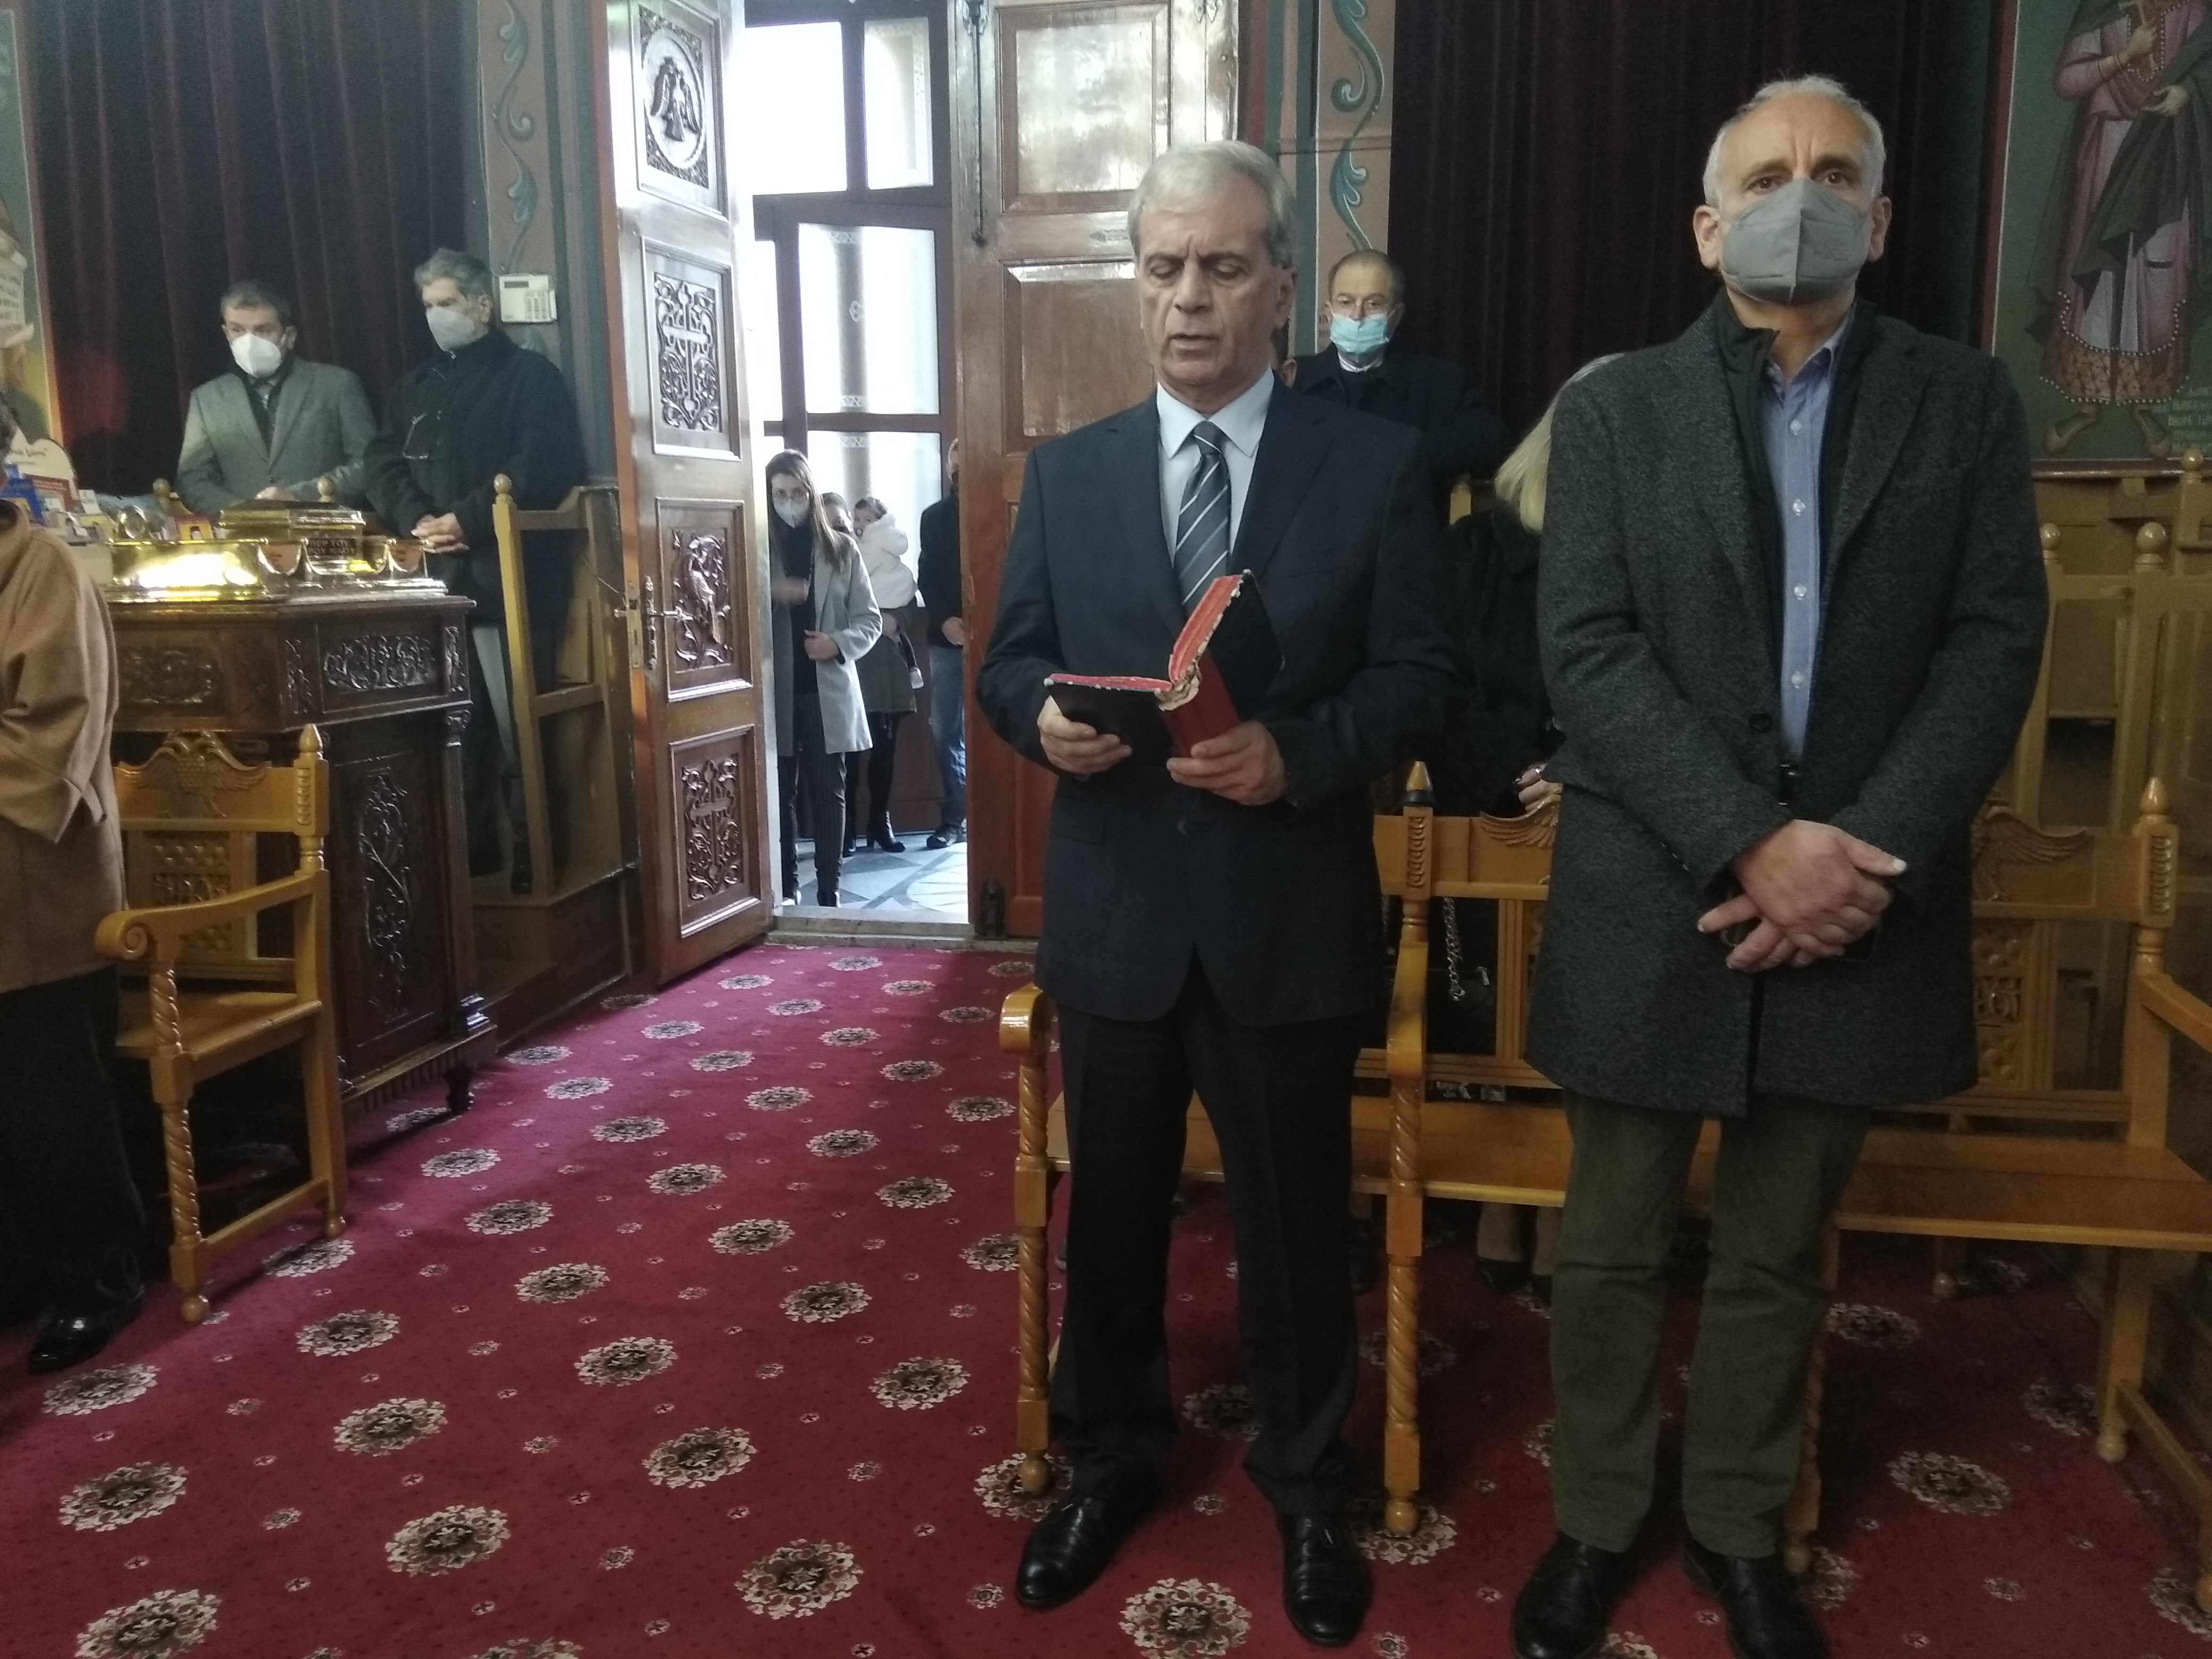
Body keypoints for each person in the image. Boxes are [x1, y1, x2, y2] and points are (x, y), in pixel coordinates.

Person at [1508, 78, 2047, 1659]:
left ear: (1877, 219)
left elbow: (1992, 639)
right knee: (1608, 1240)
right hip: (1653, 878)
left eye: (1830, 174)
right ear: (1707, 225)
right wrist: (1752, 837)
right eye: (1762, 177)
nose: (1794, 197)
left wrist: (1859, 852)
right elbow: (1587, 648)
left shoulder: (1963, 403)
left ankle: (1740, 1525)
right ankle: (1596, 1515)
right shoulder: (1614, 412)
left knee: (1778, 1250)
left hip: (1862, 897)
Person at [977, 139, 1455, 1648]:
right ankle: (1110, 1456)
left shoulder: (1371, 467)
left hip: (1285, 912)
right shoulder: (1068, 472)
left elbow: (1426, 676)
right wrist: (1033, 718)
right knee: (1111, 1218)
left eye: (1224, 267)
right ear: (1138, 285)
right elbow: (1006, 658)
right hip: (1116, 915)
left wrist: (1300, 754)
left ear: (1281, 287)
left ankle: (1307, 1484)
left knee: (1299, 1226)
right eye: (1164, 267)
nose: (1190, 297)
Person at [1422, 360, 1616, 1304]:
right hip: (1487, 808)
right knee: (1486, 994)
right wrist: (1515, 772)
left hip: (1615, 816)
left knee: (1596, 1005)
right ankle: (1503, 1191)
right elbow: (1434, 687)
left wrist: (1588, 772)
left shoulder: (1664, 554)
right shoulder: (1476, 551)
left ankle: (1571, 1197)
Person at [361, 248, 586, 890]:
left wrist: (464, 519)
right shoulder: (415, 386)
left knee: (517, 729)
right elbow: (381, 463)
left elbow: (543, 463)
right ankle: (471, 852)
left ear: (482, 306)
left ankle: (533, 856)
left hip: (505, 579)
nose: (436, 316)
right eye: (428, 306)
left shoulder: (529, 377)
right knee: (454, 729)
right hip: (433, 584)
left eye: (448, 303)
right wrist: (418, 518)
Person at [0, 397, 147, 1374]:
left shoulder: (41, 568)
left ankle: (97, 1276)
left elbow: (51, 740)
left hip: (30, 888)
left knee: (49, 1098)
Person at [2034, 2, 2212, 457]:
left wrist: (2188, 92)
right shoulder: (2106, 7)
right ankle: (2088, 402)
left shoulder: (2193, 8)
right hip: (2108, 156)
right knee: (2101, 275)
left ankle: (2143, 399)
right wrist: (2125, 55)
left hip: (2166, 157)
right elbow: (2065, 82)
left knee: (2158, 273)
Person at [1292, 249, 1508, 513]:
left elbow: (1491, 441)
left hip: (1401, 526)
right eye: (1346, 302)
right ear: (1329, 312)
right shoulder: (1296, 378)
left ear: (1396, 316)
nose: (1357, 315)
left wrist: (1405, 452)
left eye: (1373, 304)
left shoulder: (1436, 381)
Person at [767, 452, 880, 908]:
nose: (789, 502)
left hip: (825, 688)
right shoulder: (755, 548)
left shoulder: (841, 548)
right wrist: (771, 594)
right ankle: (787, 886)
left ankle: (830, 890)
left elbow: (870, 621)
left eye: (797, 493)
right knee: (780, 791)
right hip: (774, 691)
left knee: (828, 791)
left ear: (811, 493)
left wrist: (836, 643)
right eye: (780, 494)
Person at [174, 279, 376, 512]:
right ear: (226, 333)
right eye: (237, 330)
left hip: (319, 526)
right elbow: (192, 479)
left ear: (289, 336)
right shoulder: (206, 398)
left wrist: (297, 496)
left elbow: (369, 463)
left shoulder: (337, 385)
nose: (249, 342)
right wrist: (245, 512)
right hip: (239, 531)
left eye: (263, 330)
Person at [841, 494, 922, 856]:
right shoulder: (845, 554)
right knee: (850, 751)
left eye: (869, 519)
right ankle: (845, 827)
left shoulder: (893, 560)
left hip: (888, 663)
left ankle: (880, 821)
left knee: (885, 750)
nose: (861, 525)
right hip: (855, 661)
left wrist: (896, 620)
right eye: (857, 519)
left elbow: (907, 600)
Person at [916, 441, 967, 849]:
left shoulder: (1011, 509)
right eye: (955, 458)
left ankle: (993, 817)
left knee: (1001, 727)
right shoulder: (934, 517)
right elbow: (928, 574)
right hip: (946, 639)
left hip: (1000, 638)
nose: (961, 465)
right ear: (949, 467)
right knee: (945, 730)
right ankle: (955, 817)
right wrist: (947, 620)